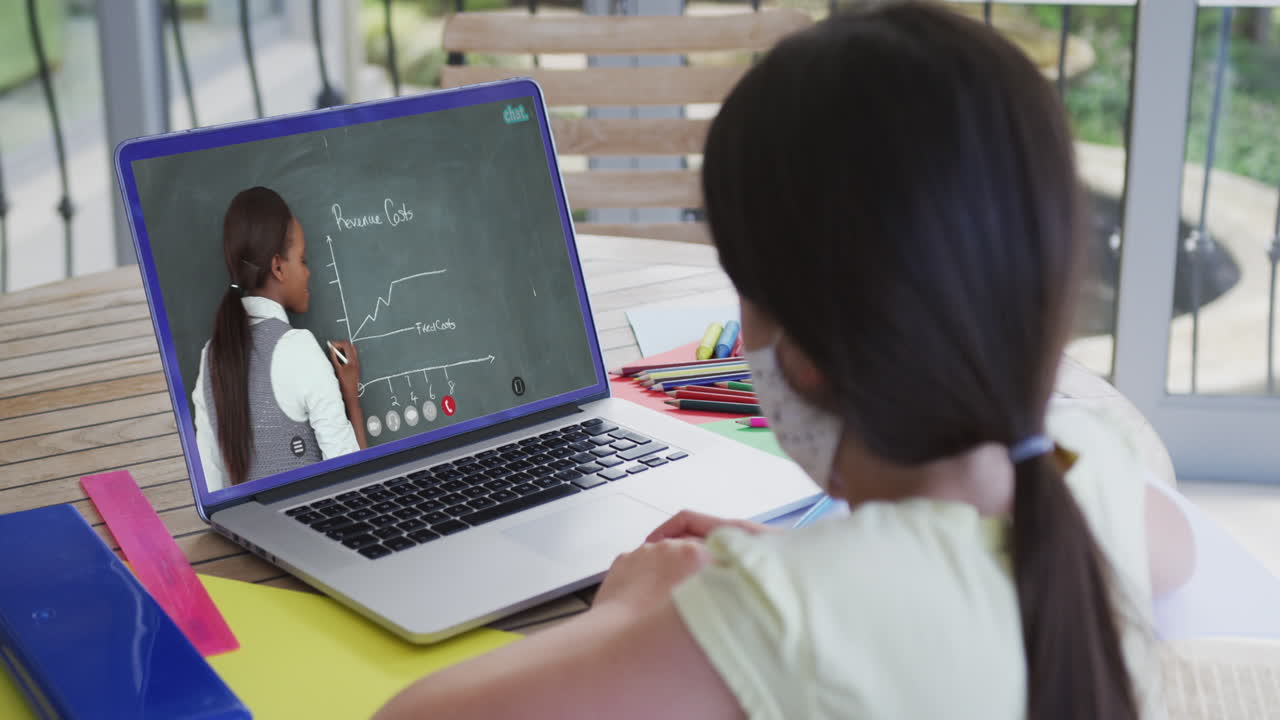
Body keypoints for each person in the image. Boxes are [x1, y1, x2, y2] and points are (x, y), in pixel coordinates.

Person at [375, 4, 1194, 718]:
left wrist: (630, 615)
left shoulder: (783, 619)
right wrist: (813, 561)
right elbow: (1171, 551)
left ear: (799, 357)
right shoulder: (1092, 471)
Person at [193, 186, 367, 490]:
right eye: (303, 260)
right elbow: (353, 480)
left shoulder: (211, 357)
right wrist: (350, 395)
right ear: (277, 267)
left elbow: (211, 485)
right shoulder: (298, 348)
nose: (308, 272)